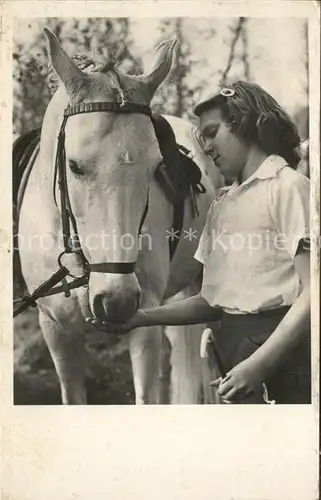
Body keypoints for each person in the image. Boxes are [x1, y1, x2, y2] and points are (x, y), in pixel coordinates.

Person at [87, 81, 311, 405]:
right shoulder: (222, 205)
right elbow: (211, 301)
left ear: (246, 123)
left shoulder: (288, 188)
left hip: (283, 359)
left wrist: (260, 365)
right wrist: (143, 317)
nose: (205, 146)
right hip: (233, 357)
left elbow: (313, 293)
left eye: (212, 132)